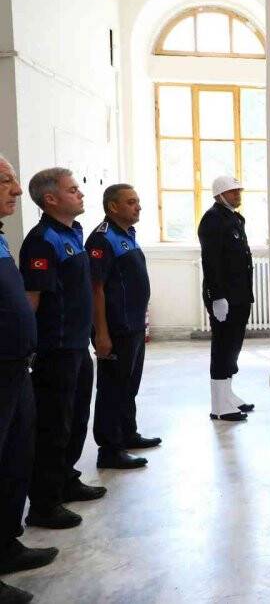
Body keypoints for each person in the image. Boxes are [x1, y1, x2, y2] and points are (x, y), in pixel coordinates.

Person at [20, 168, 106, 530]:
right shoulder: (42, 240)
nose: (81, 194)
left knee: (74, 420)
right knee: (53, 426)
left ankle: (66, 479)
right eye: (73, 190)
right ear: (51, 199)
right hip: (55, 348)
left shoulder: (71, 233)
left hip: (76, 345)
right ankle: (44, 503)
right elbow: (32, 300)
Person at [0, 156, 57, 604]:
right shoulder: (40, 239)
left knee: (16, 456)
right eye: (6, 181)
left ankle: (5, 545)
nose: (17, 191)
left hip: (16, 364)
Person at [86, 184, 158, 471]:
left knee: (129, 385)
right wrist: (101, 332)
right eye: (131, 202)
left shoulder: (126, 234)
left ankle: (128, 433)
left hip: (133, 324)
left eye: (138, 201)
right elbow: (96, 288)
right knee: (113, 388)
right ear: (113, 206)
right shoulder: (102, 239)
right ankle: (109, 449)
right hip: (115, 327)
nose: (138, 206)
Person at [198, 176, 255, 421]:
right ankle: (218, 406)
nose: (237, 195)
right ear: (219, 195)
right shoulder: (212, 220)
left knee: (233, 346)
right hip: (225, 297)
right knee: (222, 346)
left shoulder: (233, 218)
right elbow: (211, 262)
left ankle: (228, 395)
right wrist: (217, 297)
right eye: (232, 192)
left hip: (239, 294)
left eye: (238, 191)